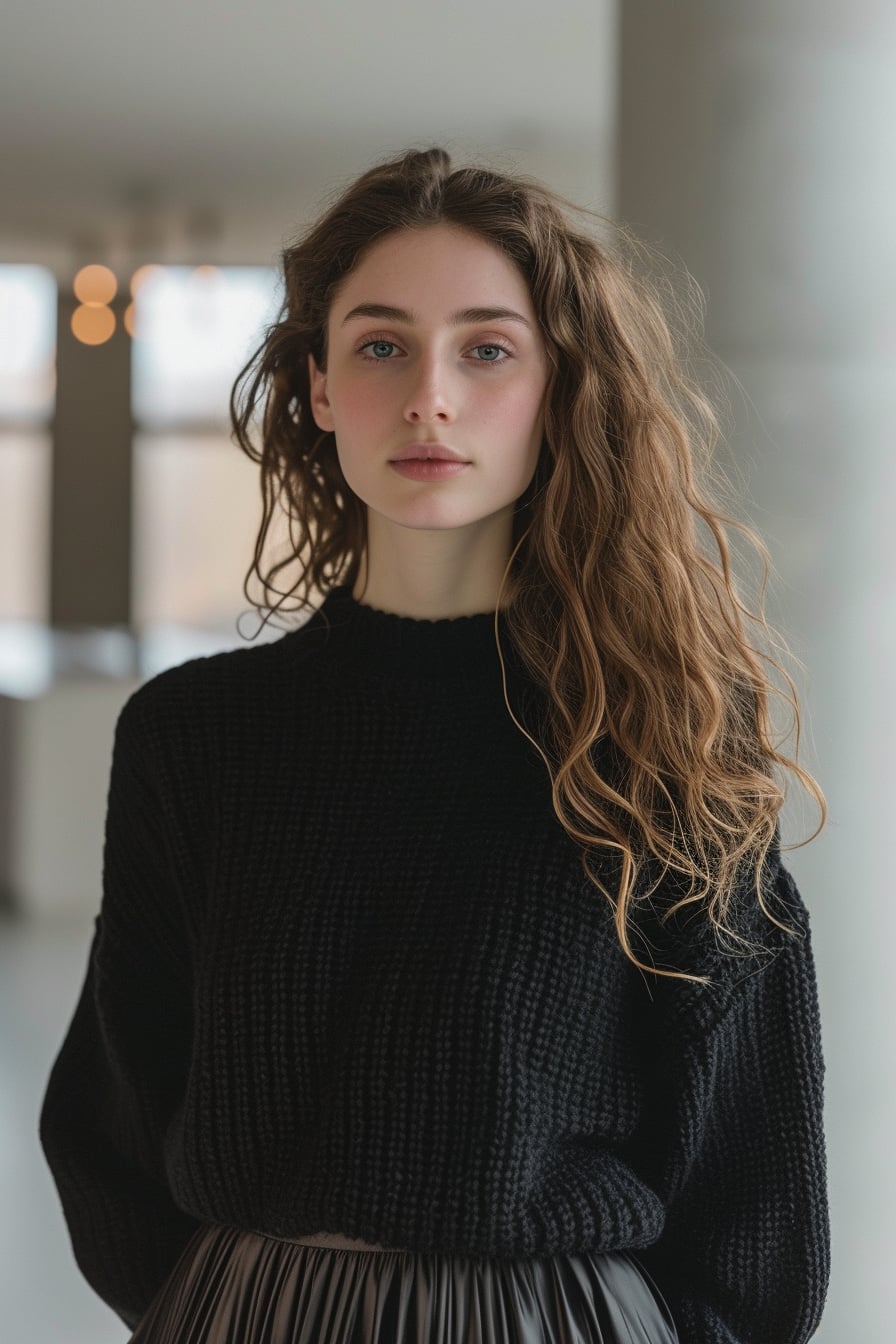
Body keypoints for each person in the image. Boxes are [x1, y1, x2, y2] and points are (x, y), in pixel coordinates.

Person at [39, 146, 831, 1344]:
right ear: (316, 386)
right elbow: (112, 1110)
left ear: (559, 390)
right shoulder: (194, 736)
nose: (428, 398)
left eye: (486, 348)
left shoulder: (655, 744)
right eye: (379, 345)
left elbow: (753, 1181)